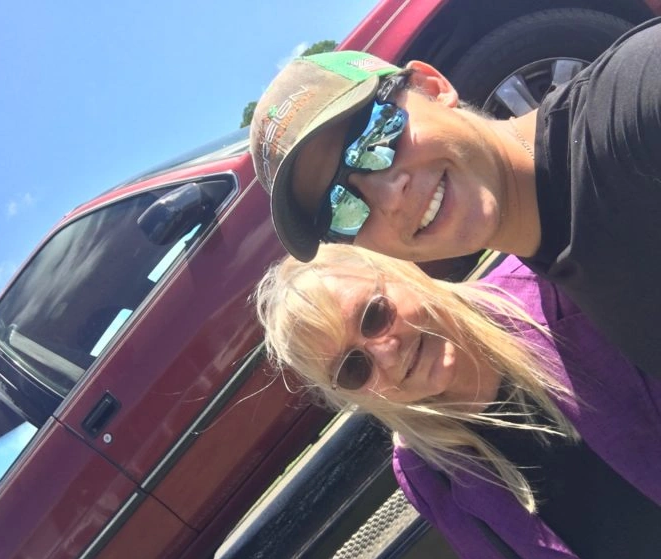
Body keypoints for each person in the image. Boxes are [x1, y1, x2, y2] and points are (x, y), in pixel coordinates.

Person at [248, 18, 661, 379]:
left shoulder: (636, 107)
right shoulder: (549, 260)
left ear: (432, 86)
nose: (390, 196)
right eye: (341, 207)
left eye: (378, 133)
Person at [254, 244, 661, 559]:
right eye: (353, 368)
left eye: (374, 314)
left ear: (401, 269)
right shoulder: (425, 472)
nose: (387, 355)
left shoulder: (556, 291)